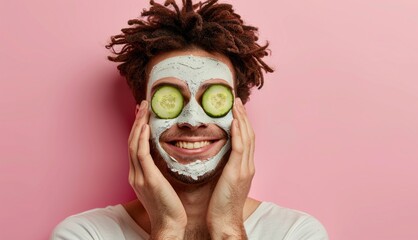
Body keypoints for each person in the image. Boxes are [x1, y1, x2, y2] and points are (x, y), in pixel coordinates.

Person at [51, 0, 329, 239]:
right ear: (142, 116)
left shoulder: (296, 233)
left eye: (214, 99)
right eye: (170, 100)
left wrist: (228, 228)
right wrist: (167, 229)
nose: (192, 120)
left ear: (239, 113)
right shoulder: (84, 234)